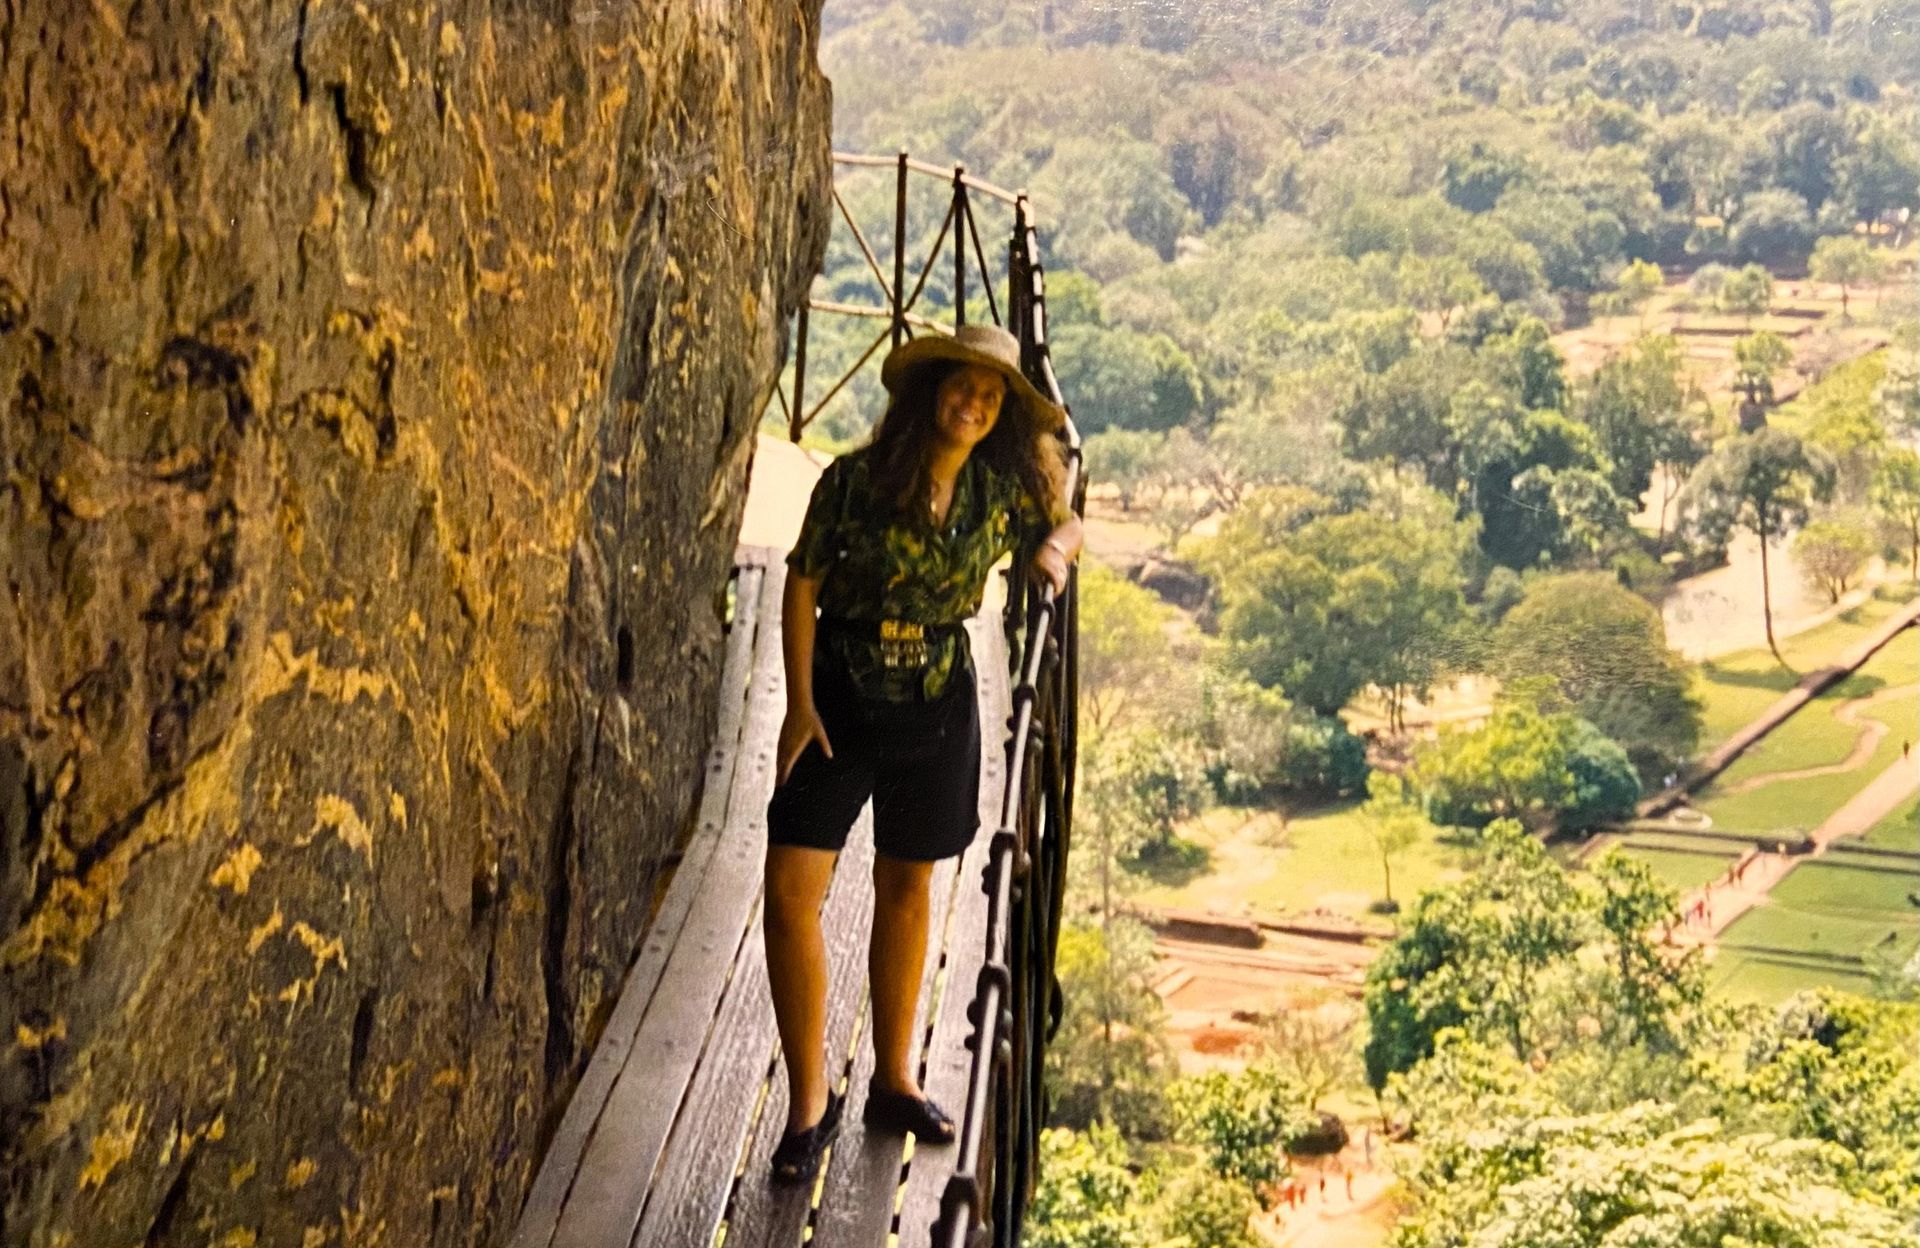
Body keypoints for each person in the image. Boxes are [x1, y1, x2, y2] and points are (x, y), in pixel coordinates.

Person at [761, 323, 1083, 1184]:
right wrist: (797, 703)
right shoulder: (856, 481)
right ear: (929, 389)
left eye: (991, 396)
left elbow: (1069, 524)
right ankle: (808, 1103)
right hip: (841, 696)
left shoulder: (999, 493)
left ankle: (894, 1080)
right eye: (961, 386)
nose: (973, 404)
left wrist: (1051, 551)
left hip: (938, 702)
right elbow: (803, 581)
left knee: (908, 885)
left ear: (1004, 413)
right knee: (793, 890)